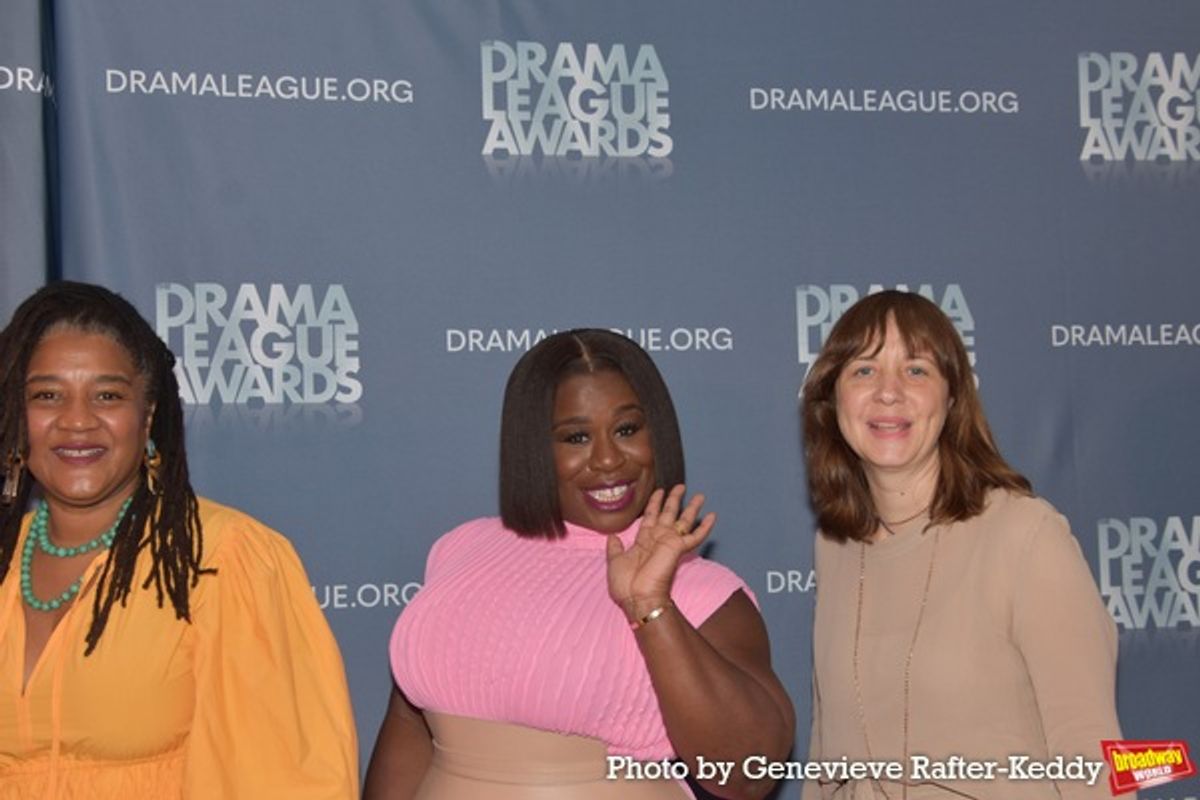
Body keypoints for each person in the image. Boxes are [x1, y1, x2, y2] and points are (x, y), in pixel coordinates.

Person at [365, 328, 794, 800]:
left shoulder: (703, 592)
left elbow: (749, 773)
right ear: (533, 449)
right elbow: (408, 727)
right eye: (576, 437)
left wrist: (650, 606)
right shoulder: (461, 548)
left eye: (627, 430)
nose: (608, 459)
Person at [0, 282, 358, 798]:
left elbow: (278, 782)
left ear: (146, 417)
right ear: (17, 416)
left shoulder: (223, 558)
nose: (77, 420)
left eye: (107, 395)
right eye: (47, 395)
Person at [799, 291, 1122, 800]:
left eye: (916, 370)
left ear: (952, 399)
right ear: (831, 398)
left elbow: (1093, 758)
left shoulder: (1024, 535)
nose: (888, 392)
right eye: (864, 370)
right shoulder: (836, 545)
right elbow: (826, 754)